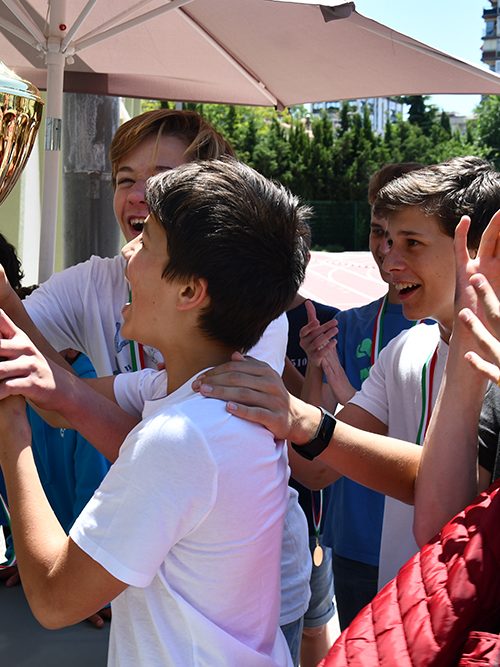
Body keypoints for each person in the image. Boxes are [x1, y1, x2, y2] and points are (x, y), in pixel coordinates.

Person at [0, 109, 311, 659]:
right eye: (126, 178)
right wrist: (7, 302)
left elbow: (52, 598)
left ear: (191, 290)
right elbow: (72, 397)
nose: (129, 258)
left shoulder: (181, 432)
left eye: (149, 243)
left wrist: (12, 432)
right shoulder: (176, 395)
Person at [191, 156, 500, 589]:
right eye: (387, 240)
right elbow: (316, 469)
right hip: (403, 607)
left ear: (484, 246)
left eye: (412, 243)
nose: (390, 262)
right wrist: (266, 391)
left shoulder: (487, 364)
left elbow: (442, 518)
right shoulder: (404, 351)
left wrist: (302, 419)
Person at [299, 163, 425, 629]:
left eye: (407, 238)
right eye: (379, 232)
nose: (388, 250)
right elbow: (316, 443)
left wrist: (347, 389)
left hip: (422, 542)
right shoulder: (349, 325)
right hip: (355, 539)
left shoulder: (451, 331)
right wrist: (317, 366)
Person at [284, 241, 338, 666]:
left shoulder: (327, 321)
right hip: (269, 504)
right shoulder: (241, 321)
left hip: (313, 509)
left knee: (315, 624)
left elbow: (324, 425)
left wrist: (314, 364)